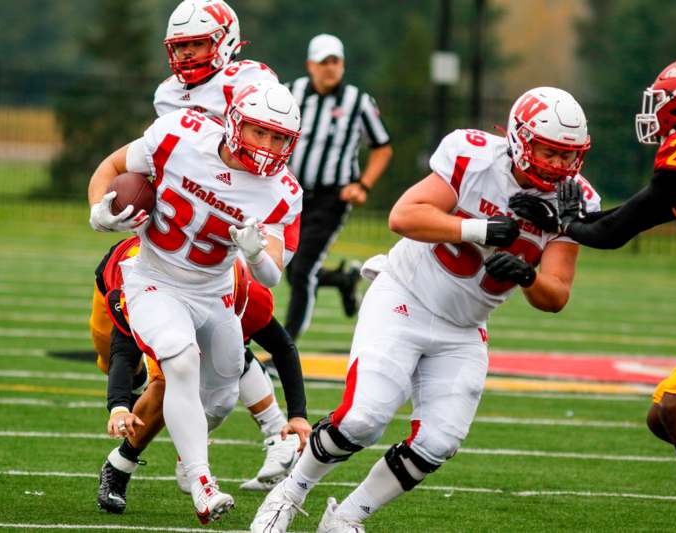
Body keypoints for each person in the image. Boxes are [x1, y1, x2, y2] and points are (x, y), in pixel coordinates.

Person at [250, 86, 600, 532]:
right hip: (405, 297)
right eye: (550, 151)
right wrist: (479, 229)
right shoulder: (474, 157)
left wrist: (528, 275)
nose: (561, 165)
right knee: (363, 419)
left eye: (571, 155)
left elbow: (556, 296)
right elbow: (404, 216)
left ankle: (346, 518)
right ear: (520, 138)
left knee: (439, 441)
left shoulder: (574, 200)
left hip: (464, 326)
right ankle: (290, 492)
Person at [87, 0, 307, 507]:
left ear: (226, 41)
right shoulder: (175, 114)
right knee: (165, 363)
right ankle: (187, 463)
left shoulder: (254, 90)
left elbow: (271, 265)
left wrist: (255, 249)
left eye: (197, 43)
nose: (186, 55)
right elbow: (130, 162)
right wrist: (100, 207)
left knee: (227, 367)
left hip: (223, 255)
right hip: (162, 247)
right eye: (179, 45)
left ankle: (256, 436)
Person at [509, 58, 676, 510]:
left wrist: (568, 221)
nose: (653, 112)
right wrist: (567, 221)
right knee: (664, 418)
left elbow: (611, 234)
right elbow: (625, 220)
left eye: (662, 102)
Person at [93, 235, 312, 515]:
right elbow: (122, 350)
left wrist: (298, 414)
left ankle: (120, 466)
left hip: (202, 306)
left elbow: (282, 347)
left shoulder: (244, 291)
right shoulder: (139, 278)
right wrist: (119, 406)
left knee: (175, 379)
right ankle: (139, 388)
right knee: (120, 364)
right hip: (137, 290)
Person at [283, 33, 393, 340]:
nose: (330, 68)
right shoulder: (291, 93)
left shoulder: (358, 102)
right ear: (310, 65)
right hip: (293, 194)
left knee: (303, 270)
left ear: (342, 64)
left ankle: (284, 348)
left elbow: (382, 147)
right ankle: (344, 280)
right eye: (323, 62)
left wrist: (363, 185)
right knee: (293, 270)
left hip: (333, 197)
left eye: (335, 61)